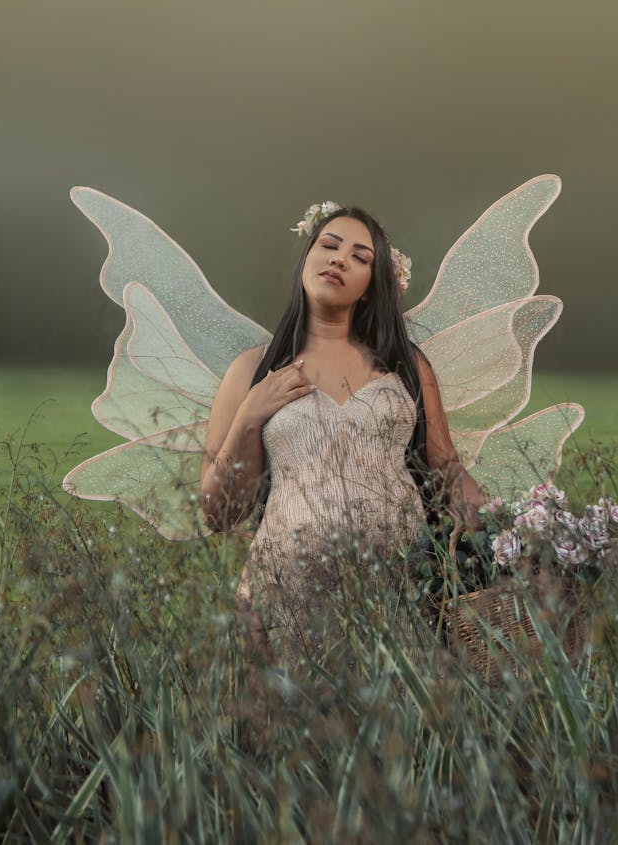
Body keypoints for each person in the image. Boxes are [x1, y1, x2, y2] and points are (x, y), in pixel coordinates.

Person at [200, 203, 486, 668]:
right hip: (284, 596)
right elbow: (217, 513)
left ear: (373, 286)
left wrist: (515, 533)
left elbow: (447, 467)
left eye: (359, 257)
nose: (338, 260)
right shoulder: (253, 370)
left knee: (398, 727)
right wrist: (249, 417)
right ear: (306, 259)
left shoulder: (406, 366)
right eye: (329, 246)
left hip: (397, 591)